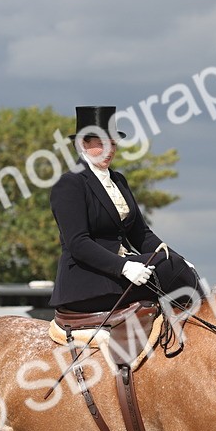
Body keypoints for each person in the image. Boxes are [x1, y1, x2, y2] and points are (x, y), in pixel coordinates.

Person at [49, 105, 204, 313]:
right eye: (102, 144)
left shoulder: (118, 180)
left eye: (113, 144)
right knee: (169, 268)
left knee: (175, 266)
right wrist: (123, 267)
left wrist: (180, 261)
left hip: (122, 272)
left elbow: (141, 235)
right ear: (82, 144)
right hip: (87, 280)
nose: (110, 150)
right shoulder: (70, 183)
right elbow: (78, 243)